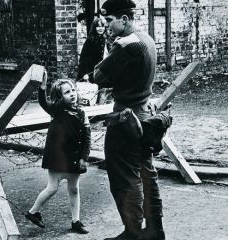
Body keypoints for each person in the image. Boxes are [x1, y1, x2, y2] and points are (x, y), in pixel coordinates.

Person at [88, 0, 166, 239]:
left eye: (110, 20)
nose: (106, 25)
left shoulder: (124, 44)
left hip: (125, 118)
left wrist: (99, 75)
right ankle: (154, 230)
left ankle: (132, 233)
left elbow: (97, 76)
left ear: (125, 18)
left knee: (124, 177)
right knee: (146, 173)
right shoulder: (147, 39)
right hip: (145, 113)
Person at [25, 73, 91, 234]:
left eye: (73, 90)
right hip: (57, 157)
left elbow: (87, 137)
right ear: (60, 97)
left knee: (74, 189)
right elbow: (43, 102)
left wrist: (84, 157)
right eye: (67, 92)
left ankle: (76, 221)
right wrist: (43, 87)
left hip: (75, 157)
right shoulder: (57, 110)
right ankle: (33, 212)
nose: (72, 94)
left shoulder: (82, 114)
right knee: (52, 188)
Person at [76, 17, 111, 104]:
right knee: (93, 93)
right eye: (98, 26)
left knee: (104, 91)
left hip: (104, 71)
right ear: (94, 27)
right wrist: (85, 73)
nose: (100, 28)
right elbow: (83, 59)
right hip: (92, 71)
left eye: (102, 26)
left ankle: (101, 108)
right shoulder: (90, 41)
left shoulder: (106, 39)